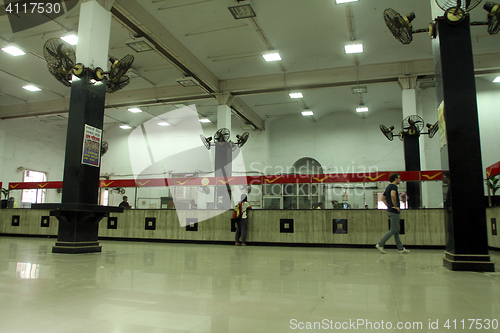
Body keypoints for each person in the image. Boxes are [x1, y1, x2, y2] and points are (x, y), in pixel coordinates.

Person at [375, 173, 410, 254]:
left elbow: (383, 198)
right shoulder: (394, 187)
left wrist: (389, 206)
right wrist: (395, 206)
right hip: (394, 211)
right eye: (399, 178)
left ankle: (400, 248)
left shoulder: (388, 187)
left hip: (390, 210)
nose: (400, 179)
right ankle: (380, 244)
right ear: (395, 179)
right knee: (393, 229)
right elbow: (393, 195)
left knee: (396, 230)